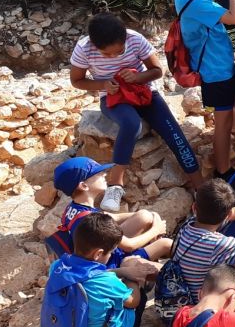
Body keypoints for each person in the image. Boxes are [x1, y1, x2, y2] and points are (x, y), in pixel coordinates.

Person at [70, 13, 201, 209]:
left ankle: (200, 187)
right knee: (131, 124)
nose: (114, 56)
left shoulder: (135, 39)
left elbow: (157, 70)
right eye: (107, 54)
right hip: (113, 98)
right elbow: (77, 80)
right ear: (94, 45)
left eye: (119, 51)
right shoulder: (84, 48)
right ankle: (115, 184)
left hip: (144, 93)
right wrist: (104, 84)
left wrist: (138, 78)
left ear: (125, 38)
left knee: (174, 134)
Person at [175, 0, 235, 180]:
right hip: (215, 70)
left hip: (222, 63)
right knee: (223, 121)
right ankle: (224, 170)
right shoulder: (193, 2)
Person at [46, 213, 153, 327]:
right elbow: (133, 302)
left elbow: (85, 276)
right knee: (138, 293)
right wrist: (131, 276)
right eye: (111, 252)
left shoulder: (57, 265)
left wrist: (121, 272)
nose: (110, 256)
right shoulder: (105, 281)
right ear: (98, 254)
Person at [52, 156, 172, 266]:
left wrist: (151, 215)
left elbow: (112, 217)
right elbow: (129, 246)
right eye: (98, 174)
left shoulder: (76, 208)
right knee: (166, 244)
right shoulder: (90, 222)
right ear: (84, 186)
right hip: (112, 263)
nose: (104, 174)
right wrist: (156, 229)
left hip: (107, 250)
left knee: (144, 216)